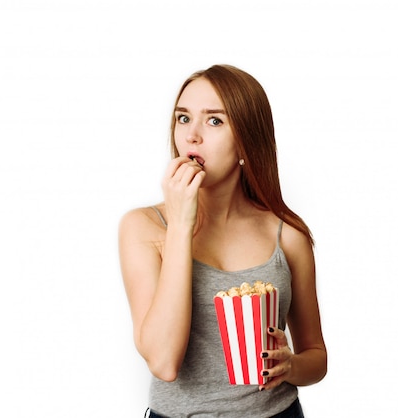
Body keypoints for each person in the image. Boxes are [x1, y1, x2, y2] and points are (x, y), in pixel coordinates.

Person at [118, 64, 327, 417]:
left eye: (214, 121)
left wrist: (290, 366)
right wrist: (181, 225)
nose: (192, 136)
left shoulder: (287, 234)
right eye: (183, 118)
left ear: (246, 141)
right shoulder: (143, 227)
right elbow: (164, 362)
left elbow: (316, 358)